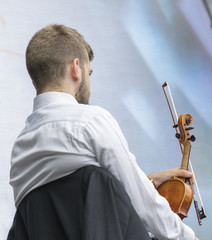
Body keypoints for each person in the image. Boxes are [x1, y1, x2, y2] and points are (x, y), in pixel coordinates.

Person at [9, 24, 198, 240]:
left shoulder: (19, 152)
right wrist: (186, 236)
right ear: (76, 68)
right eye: (89, 73)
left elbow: (63, 211)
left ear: (35, 80)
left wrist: (149, 181)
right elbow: (143, 203)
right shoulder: (89, 121)